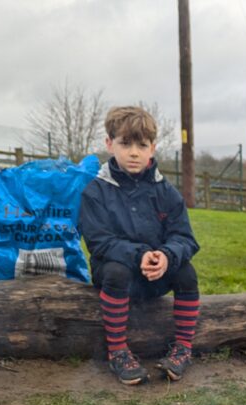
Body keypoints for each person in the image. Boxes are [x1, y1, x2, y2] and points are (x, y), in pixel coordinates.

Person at [79, 106, 200, 385]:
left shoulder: (167, 192)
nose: (134, 152)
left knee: (186, 273)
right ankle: (118, 351)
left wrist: (167, 256)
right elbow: (99, 242)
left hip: (155, 275)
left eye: (141, 145)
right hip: (117, 276)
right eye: (125, 143)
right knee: (116, 271)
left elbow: (186, 238)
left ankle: (183, 348)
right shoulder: (95, 192)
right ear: (109, 144)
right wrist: (139, 255)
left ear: (153, 149)